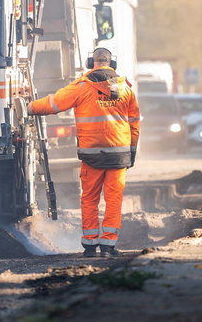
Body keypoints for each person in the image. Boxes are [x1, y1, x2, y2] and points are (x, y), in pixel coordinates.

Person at [27, 47, 140, 257]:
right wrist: (131, 153)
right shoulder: (125, 89)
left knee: (89, 199)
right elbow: (134, 124)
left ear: (91, 62)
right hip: (119, 155)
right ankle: (108, 246)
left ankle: (89, 246)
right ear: (112, 63)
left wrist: (29, 107)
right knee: (114, 200)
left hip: (91, 156)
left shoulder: (82, 87)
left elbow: (54, 104)